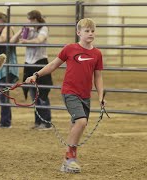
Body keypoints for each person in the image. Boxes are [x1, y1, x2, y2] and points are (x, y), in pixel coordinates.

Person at [25, 18, 106, 173]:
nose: (90, 34)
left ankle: (66, 163)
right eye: (87, 31)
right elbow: (53, 65)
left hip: (85, 95)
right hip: (70, 92)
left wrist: (101, 96)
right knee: (81, 122)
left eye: (93, 31)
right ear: (78, 33)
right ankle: (70, 158)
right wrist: (36, 74)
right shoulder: (69, 49)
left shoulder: (97, 54)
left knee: (76, 124)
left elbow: (98, 77)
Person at [10, 10, 53, 130]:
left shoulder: (43, 28)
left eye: (31, 19)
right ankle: (38, 121)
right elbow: (12, 41)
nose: (29, 21)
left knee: (43, 94)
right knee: (33, 94)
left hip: (40, 62)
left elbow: (39, 40)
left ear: (36, 19)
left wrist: (26, 41)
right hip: (29, 63)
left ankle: (46, 122)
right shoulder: (29, 29)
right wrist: (21, 30)